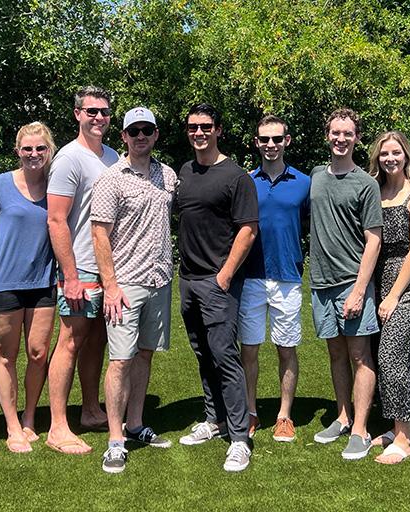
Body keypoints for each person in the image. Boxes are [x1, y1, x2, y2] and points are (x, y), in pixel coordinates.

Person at [90, 107, 176, 473]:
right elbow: (99, 234)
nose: (141, 136)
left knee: (144, 355)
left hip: (159, 281)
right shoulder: (111, 179)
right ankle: (114, 439)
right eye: (133, 131)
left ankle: (136, 424)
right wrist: (110, 286)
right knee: (120, 360)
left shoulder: (168, 175)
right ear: (123, 137)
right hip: (124, 284)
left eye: (147, 130)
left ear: (156, 135)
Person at [175, 103, 259, 472]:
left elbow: (248, 229)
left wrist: (224, 275)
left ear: (219, 130)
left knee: (224, 355)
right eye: (193, 127)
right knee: (202, 354)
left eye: (206, 126)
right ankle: (214, 420)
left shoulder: (236, 176)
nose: (199, 133)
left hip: (217, 282)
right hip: (188, 280)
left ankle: (240, 438)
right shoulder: (185, 172)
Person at [45, 86, 119, 454]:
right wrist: (70, 276)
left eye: (104, 111)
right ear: (77, 114)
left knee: (97, 342)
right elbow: (57, 219)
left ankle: (90, 410)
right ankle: (58, 426)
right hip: (81, 270)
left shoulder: (112, 156)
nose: (98, 118)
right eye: (91, 111)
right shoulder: (69, 158)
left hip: (109, 270)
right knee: (71, 341)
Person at [308, 108, 384, 461]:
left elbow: (374, 240)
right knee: (336, 354)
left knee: (360, 356)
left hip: (351, 283)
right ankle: (342, 417)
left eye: (347, 134)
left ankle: (361, 429)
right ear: (327, 136)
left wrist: (358, 289)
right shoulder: (315, 177)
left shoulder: (365, 183)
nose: (341, 139)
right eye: (335, 133)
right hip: (320, 283)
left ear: (356, 138)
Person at [0, 122, 58, 454]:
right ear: (18, 151)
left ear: (49, 150)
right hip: (4, 283)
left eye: (40, 148)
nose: (33, 154)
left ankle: (30, 417)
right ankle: (12, 425)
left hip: (43, 281)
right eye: (27, 149)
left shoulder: (58, 186)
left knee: (38, 353)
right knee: (6, 356)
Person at [238, 114, 310, 442]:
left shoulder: (304, 182)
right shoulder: (245, 182)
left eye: (276, 139)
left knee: (286, 349)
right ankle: (251, 411)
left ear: (287, 141)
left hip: (288, 277)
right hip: (251, 276)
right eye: (264, 139)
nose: (270, 145)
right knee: (249, 349)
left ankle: (284, 415)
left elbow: (311, 225)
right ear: (256, 142)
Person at [365, 131, 410, 464]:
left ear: (406, 155)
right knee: (381, 359)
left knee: (395, 359)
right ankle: (394, 428)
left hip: (404, 287)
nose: (389, 158)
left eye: (396, 153)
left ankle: (405, 439)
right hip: (376, 282)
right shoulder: (376, 192)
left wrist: (392, 295)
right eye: (383, 154)